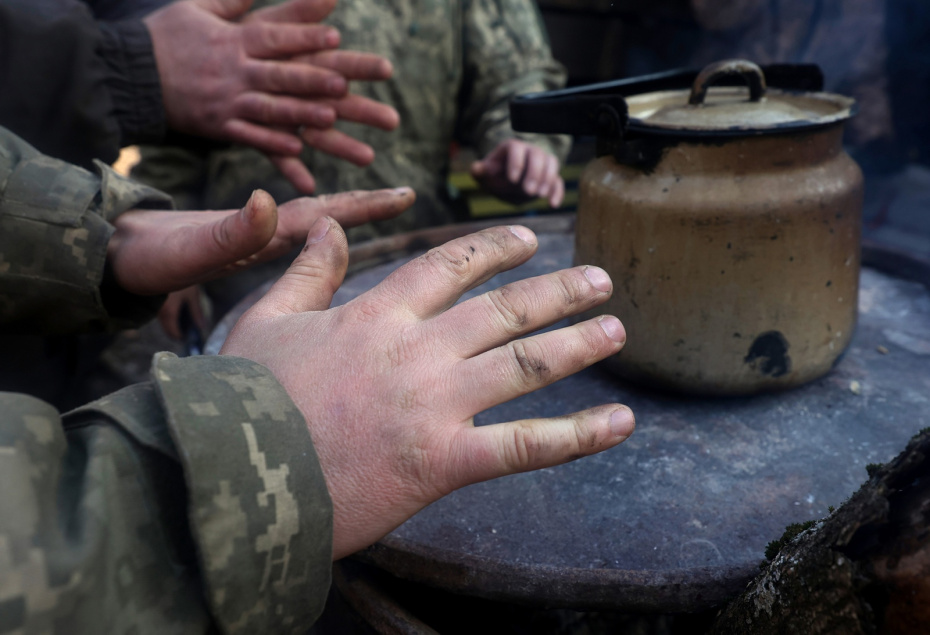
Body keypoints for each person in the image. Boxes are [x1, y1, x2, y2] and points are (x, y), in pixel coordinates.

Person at [0, 125, 635, 632]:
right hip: (264, 319)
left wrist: (86, 230)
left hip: (381, 282)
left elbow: (512, 74)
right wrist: (260, 446)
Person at [133, 0, 571, 238]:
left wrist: (521, 144)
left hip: (408, 241)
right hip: (248, 244)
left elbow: (516, 76)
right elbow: (181, 94)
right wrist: (171, 221)